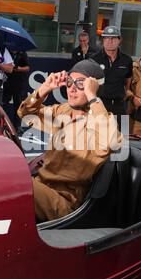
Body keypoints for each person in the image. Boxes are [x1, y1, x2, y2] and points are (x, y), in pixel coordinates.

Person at [17, 59, 123, 222]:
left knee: (14, 182)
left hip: (64, 204)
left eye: (81, 84)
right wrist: (45, 87)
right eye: (69, 81)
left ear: (93, 89)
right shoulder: (63, 111)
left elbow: (113, 142)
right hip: (40, 186)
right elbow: (25, 114)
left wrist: (93, 98)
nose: (72, 88)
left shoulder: (100, 122)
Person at [91, 26, 133, 128]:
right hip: (99, 105)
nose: (110, 41)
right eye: (106, 38)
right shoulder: (93, 59)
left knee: (123, 139)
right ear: (103, 40)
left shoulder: (127, 60)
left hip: (119, 106)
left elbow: (128, 78)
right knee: (97, 139)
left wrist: (126, 91)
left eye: (113, 38)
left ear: (119, 40)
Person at [3, 49, 30, 131]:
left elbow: (27, 67)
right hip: (6, 82)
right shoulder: (5, 52)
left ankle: (17, 125)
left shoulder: (22, 53)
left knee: (18, 105)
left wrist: (18, 69)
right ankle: (3, 124)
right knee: (3, 104)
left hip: (18, 83)